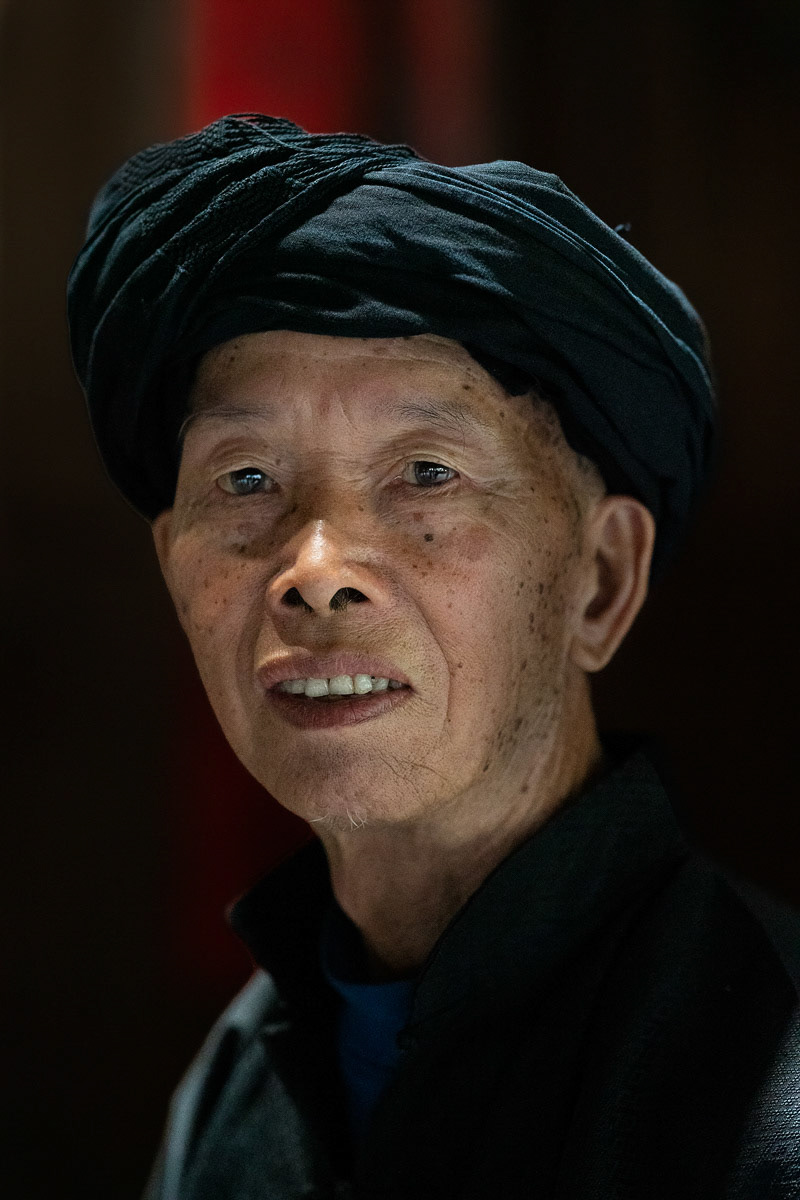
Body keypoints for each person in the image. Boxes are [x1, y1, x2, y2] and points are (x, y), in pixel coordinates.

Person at [67, 115, 799, 1200]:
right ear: (178, 577)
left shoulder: (766, 1091)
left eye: (424, 472)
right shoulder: (235, 1089)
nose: (314, 568)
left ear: (599, 580)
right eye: (247, 481)